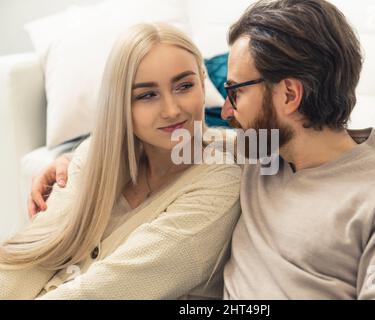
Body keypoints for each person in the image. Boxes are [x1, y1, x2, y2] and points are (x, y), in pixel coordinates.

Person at [26, 0, 375, 300]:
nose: (225, 111)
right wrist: (69, 162)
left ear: (288, 95)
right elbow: (165, 142)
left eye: (234, 92)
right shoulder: (259, 152)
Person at [0, 23, 241, 300]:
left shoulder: (220, 181)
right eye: (147, 95)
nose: (172, 110)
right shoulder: (92, 157)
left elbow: (103, 291)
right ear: (120, 103)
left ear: (202, 81)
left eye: (184, 86)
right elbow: (33, 255)